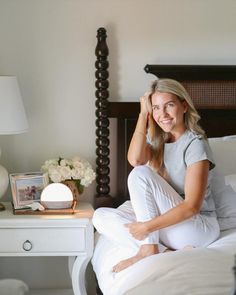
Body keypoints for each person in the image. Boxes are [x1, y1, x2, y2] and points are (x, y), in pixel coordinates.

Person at [92, 78, 220, 273]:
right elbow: (135, 159)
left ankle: (149, 247)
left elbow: (192, 207)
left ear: (184, 106)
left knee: (140, 174)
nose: (163, 114)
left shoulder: (195, 144)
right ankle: (161, 250)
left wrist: (147, 227)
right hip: (168, 225)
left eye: (169, 105)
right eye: (157, 108)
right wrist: (143, 115)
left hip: (196, 228)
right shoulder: (157, 140)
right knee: (100, 216)